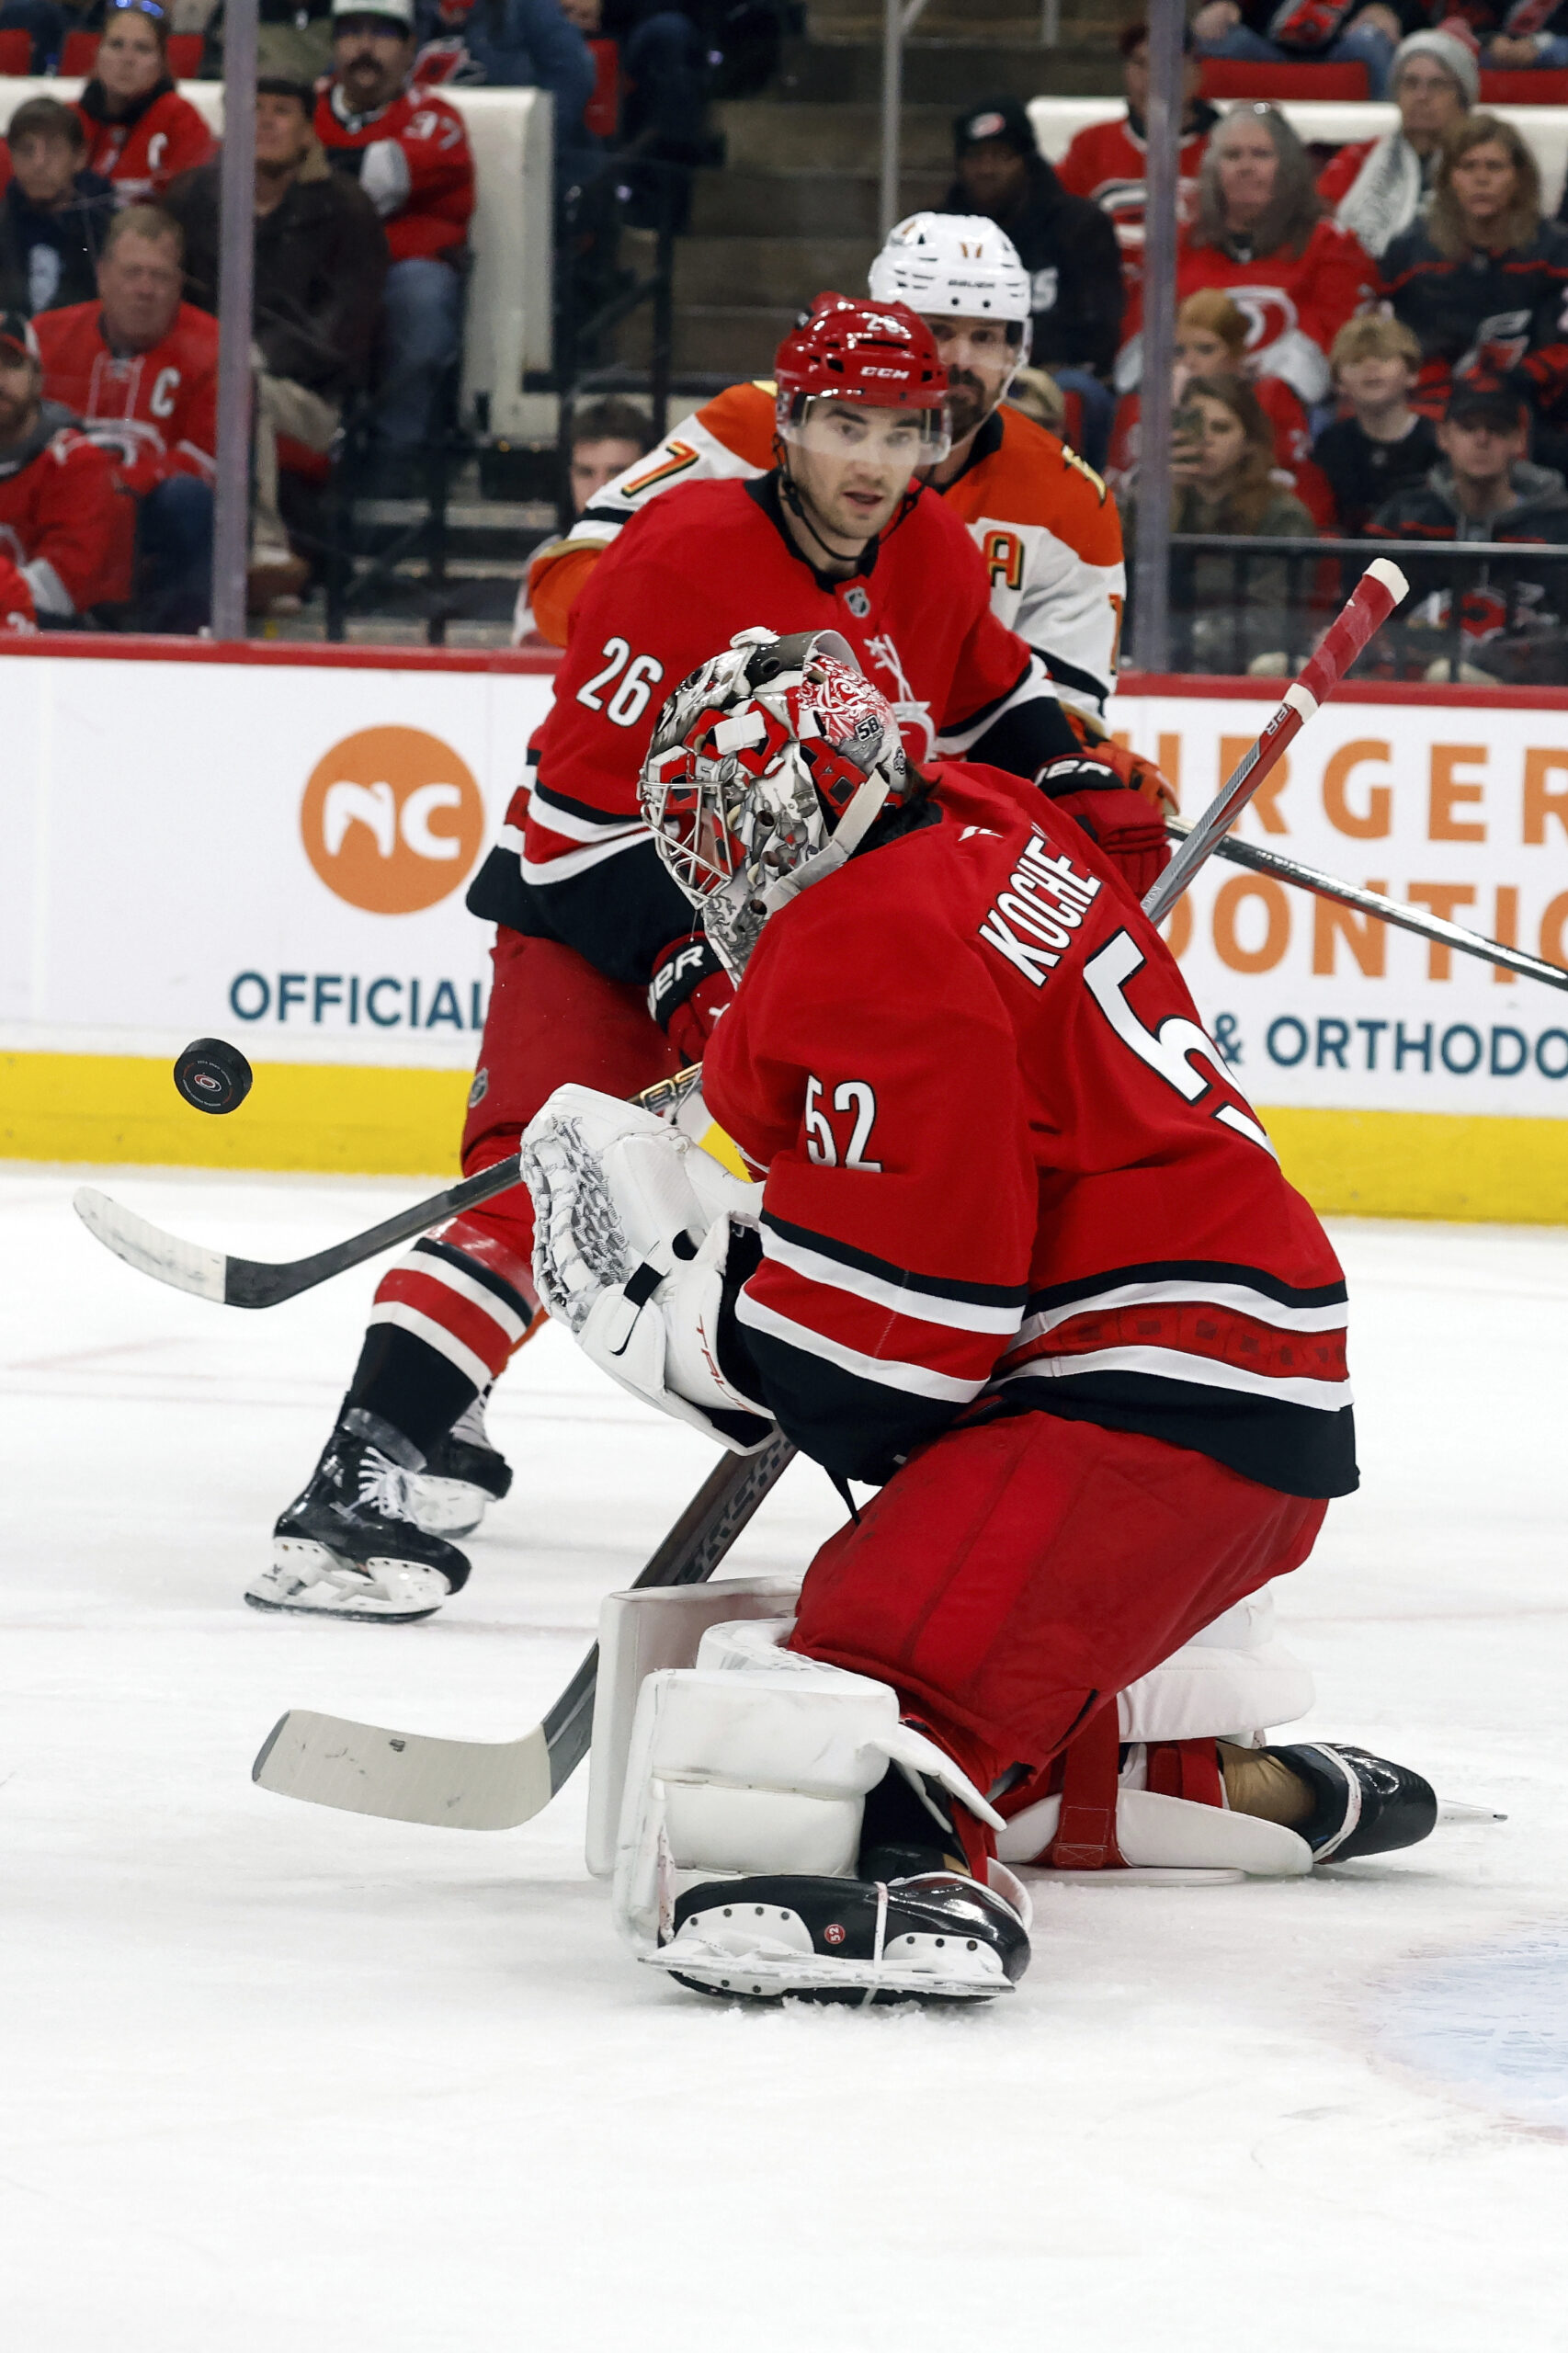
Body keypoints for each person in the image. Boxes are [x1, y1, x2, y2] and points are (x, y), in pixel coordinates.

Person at [512, 629, 1440, 2003]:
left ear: (792, 807)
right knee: (987, 1619)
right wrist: (770, 1091)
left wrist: (681, 1319)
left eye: (722, 829)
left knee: (851, 1665)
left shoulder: (859, 939)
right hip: (1237, 1387)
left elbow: (887, 1364)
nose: (713, 868)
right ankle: (1198, 1784)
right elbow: (940, 1114)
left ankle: (902, 1875)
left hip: (1136, 1400)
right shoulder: (986, 814)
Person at [245, 298, 1167, 1622]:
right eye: (843, 426)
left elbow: (990, 696)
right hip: (592, 919)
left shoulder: (933, 550)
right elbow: (572, 820)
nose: (869, 460)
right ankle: (354, 1487)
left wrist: (1069, 770)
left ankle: (931, 1473)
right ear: (787, 424)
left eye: (899, 433)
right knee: (534, 1187)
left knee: (863, 1191)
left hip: (776, 941)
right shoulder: (677, 558)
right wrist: (678, 958)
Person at [526, 216, 1131, 735]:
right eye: (938, 331)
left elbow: (1066, 719)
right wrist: (734, 663)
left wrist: (1087, 774)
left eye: (986, 337)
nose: (959, 360)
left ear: (1018, 353)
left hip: (928, 803)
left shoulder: (1071, 504)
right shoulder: (750, 424)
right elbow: (562, 588)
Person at [166, 74, 388, 610]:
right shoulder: (189, 200)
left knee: (243, 387)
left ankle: (263, 546)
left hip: (311, 401)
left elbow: (345, 335)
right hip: (199, 376)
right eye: (252, 107)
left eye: (281, 111)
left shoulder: (345, 208)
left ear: (309, 132)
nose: (264, 121)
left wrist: (250, 358)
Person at [32, 204, 217, 631]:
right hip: (53, 504)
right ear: (102, 276)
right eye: (132, 273)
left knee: (188, 501)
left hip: (149, 511)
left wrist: (123, 484)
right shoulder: (44, 337)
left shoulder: (215, 348)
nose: (145, 289)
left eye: (161, 276)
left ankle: (176, 643)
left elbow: (207, 461)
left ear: (179, 285)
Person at [1119, 105, 1375, 413]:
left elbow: (1336, 352)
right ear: (1213, 170)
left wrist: (1246, 383)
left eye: (1261, 155)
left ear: (1289, 169)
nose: (1245, 166)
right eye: (1232, 156)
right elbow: (1138, 348)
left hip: (1286, 406)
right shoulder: (1174, 246)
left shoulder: (1331, 245)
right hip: (1180, 399)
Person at [313, 0, 474, 450]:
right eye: (351, 32)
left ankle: (397, 451)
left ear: (410, 49)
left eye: (382, 34)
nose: (364, 47)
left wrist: (306, 166)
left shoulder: (437, 118)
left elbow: (381, 181)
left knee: (421, 297)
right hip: (310, 265)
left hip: (399, 271)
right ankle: (307, 451)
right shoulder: (298, 106)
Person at [943, 97, 1123, 472]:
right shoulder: (936, 232)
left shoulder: (1080, 225)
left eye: (1000, 157)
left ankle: (1084, 502)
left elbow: (1100, 328)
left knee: (1077, 393)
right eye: (975, 158)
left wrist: (1019, 362)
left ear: (1026, 161)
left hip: (1056, 371)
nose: (987, 169)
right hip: (961, 367)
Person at [1368, 382, 1568, 678]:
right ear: (1443, 437)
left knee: (1443, 674)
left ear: (1519, 441)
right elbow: (1361, 614)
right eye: (1467, 428)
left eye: (1497, 429)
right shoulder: (1403, 517)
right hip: (1407, 684)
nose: (1482, 439)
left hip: (1525, 696)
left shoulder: (1557, 527)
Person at [1381, 113, 1568, 426]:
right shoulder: (1409, 254)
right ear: (1447, 179)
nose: (1481, 179)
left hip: (1536, 410)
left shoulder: (1556, 252)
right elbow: (1391, 345)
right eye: (1468, 166)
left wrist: (1513, 383)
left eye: (1494, 167)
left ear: (1519, 178)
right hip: (1430, 411)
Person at [1123, 373, 1318, 674]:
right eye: (1196, 427)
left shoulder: (1281, 513)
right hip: (1154, 661)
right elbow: (1121, 591)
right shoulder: (1149, 503)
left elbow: (1271, 621)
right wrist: (1160, 504)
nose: (1206, 440)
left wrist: (1185, 639)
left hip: (1244, 667)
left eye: (1221, 428)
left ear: (1249, 442)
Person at [1107, 287, 1334, 525]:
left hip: (1248, 520)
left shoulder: (1270, 396)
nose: (1189, 362)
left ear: (1236, 353)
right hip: (1167, 523)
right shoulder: (1140, 405)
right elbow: (1116, 482)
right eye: (1179, 351)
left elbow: (1289, 480)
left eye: (1206, 349)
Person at [0, 308, 135, 626]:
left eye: (12, 364)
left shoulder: (76, 461)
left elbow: (62, 589)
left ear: (38, 379)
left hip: (62, 649)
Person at [1054, 21, 1219, 278]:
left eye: (1167, 65)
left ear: (1195, 73)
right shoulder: (1091, 144)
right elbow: (1054, 223)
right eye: (1141, 65)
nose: (1152, 79)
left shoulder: (1229, 148)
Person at [1316, 27, 1476, 261]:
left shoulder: (1483, 163)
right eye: (1410, 83)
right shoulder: (1359, 159)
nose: (1422, 96)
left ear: (1462, 100)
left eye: (1437, 85)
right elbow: (1319, 235)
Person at [511, 392, 653, 642]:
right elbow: (536, 659)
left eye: (618, 472)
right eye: (586, 473)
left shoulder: (686, 559)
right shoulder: (549, 562)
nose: (600, 489)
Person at [74, 1, 215, 205]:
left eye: (142, 48)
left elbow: (192, 203)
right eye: (116, 45)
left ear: (161, 62)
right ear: (97, 54)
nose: (127, 59)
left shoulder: (182, 119)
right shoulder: (72, 118)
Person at [1312, 313, 1438, 535]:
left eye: (1384, 357)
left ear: (1412, 374)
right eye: (1356, 360)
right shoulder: (1330, 444)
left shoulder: (1438, 442)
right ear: (1339, 382)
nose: (1370, 366)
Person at [0, 98, 116, 323]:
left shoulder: (106, 226)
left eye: (53, 150)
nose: (39, 163)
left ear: (79, 157)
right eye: (26, 151)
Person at [1190, 0, 1415, 99]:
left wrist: (1387, 10)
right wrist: (1224, 5)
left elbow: (1415, 16)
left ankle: (1387, 147)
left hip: (1341, 53)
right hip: (1266, 51)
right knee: (1218, 39)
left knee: (1372, 40)